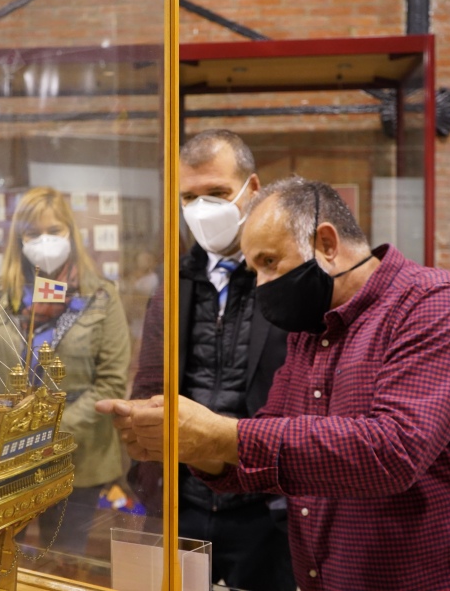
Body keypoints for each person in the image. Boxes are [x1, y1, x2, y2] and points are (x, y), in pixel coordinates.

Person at [98, 177, 450, 591]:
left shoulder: (438, 306)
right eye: (255, 271)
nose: (264, 284)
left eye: (270, 263)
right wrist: (192, 445)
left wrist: (223, 436)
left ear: (326, 243)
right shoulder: (311, 332)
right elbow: (269, 441)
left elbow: (393, 450)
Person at [128, 129, 294, 590]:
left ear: (252, 189)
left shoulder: (287, 280)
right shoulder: (174, 283)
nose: (202, 209)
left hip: (265, 508)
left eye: (217, 193)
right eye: (189, 197)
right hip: (184, 504)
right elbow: (149, 383)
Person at [0, 186, 130, 556]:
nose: (44, 241)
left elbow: (110, 383)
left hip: (79, 458)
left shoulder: (101, 297)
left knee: (65, 559)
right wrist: (6, 430)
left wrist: (41, 433)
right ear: (19, 239)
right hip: (3, 460)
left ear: (70, 233)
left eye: (54, 231)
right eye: (33, 233)